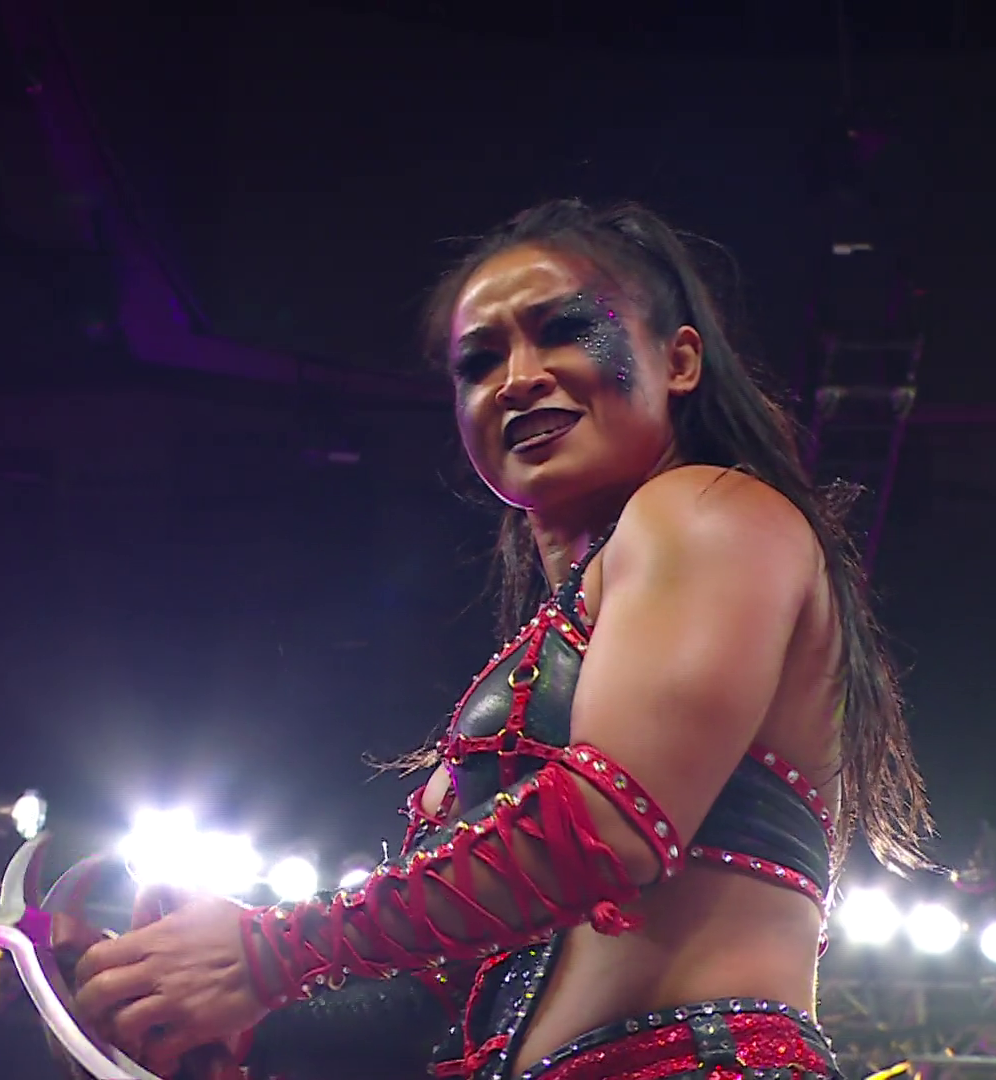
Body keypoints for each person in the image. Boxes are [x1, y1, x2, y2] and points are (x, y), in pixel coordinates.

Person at [62, 199, 930, 1080]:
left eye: (566, 330)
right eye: (479, 362)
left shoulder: (711, 509)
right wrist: (200, 1007)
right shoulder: (578, 622)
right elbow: (454, 995)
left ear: (679, 360)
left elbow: (608, 824)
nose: (517, 378)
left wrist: (267, 951)